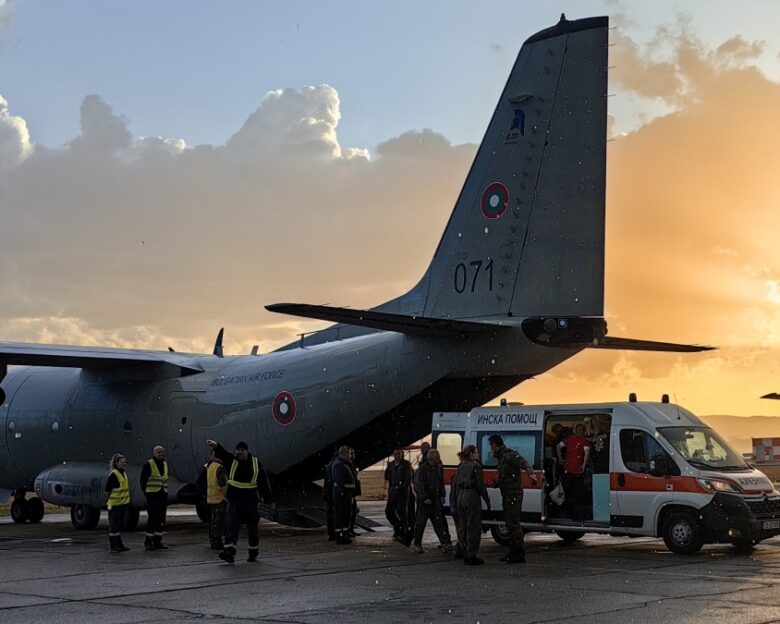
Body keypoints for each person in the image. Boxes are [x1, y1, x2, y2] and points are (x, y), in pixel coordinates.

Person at [207, 439, 273, 563]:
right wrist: (216, 446)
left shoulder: (256, 463)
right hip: (235, 501)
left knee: (252, 527)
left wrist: (267, 498)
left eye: (241, 451)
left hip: (250, 501)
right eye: (237, 451)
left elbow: (263, 481)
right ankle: (229, 552)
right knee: (233, 525)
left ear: (246, 451)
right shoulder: (232, 461)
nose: (238, 453)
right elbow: (223, 454)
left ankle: (253, 552)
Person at [489, 434, 536, 563]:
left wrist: (531, 474)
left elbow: (523, 462)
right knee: (510, 523)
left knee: (513, 524)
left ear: (495, 444)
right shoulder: (501, 458)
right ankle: (514, 551)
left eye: (491, 445)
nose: (491, 449)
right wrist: (496, 483)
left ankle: (518, 552)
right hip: (508, 494)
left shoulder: (509, 455)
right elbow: (506, 477)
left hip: (513, 494)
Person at [452, 445, 491, 566]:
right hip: (471, 495)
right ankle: (471, 554)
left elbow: (455, 484)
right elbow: (480, 486)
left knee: (462, 526)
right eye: (477, 452)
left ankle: (464, 551)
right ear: (471, 454)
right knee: (473, 526)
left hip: (461, 496)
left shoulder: (460, 467)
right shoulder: (475, 467)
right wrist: (487, 500)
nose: (478, 454)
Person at [412, 449, 453, 554]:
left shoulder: (437, 469)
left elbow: (440, 482)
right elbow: (418, 485)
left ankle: (445, 543)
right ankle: (417, 543)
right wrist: (424, 498)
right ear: (432, 458)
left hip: (435, 501)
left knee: (439, 523)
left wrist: (442, 495)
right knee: (420, 523)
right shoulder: (421, 470)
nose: (439, 460)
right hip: (424, 503)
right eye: (437, 458)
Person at [557, 424, 591, 520]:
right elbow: (587, 453)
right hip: (573, 472)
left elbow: (558, 446)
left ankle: (571, 514)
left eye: (581, 430)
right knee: (574, 494)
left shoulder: (579, 441)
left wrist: (561, 459)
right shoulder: (579, 441)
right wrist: (560, 459)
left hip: (573, 472)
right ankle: (574, 515)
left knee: (572, 494)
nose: (580, 431)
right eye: (579, 429)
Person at [197, 448, 227, 550]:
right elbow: (223, 484)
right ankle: (217, 543)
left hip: (210, 499)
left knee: (212, 522)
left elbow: (200, 483)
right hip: (219, 499)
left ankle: (213, 541)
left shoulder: (206, 467)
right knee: (218, 523)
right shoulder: (220, 467)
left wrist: (203, 496)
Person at [140, 445, 169, 551]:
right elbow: (143, 480)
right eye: (159, 452)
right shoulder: (148, 464)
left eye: (162, 452)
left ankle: (157, 541)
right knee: (152, 518)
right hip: (152, 495)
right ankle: (148, 541)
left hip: (162, 495)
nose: (161, 454)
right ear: (154, 453)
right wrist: (146, 492)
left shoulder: (165, 464)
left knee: (161, 519)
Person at [384, 449, 413, 545]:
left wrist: (402, 486)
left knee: (402, 512)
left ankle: (404, 531)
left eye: (399, 454)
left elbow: (408, 478)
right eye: (396, 454)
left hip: (402, 492)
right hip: (393, 492)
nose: (397, 456)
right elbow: (386, 475)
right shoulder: (391, 465)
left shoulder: (406, 465)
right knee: (389, 511)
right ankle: (397, 526)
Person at [105, 453, 131, 553]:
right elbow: (108, 489)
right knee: (114, 525)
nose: (124, 463)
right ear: (116, 463)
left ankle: (119, 544)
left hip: (122, 504)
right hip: (114, 504)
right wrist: (109, 501)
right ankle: (113, 546)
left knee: (119, 525)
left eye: (125, 462)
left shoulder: (123, 473)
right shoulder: (114, 474)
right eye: (122, 462)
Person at [331, 446, 356, 544]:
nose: (349, 455)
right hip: (342, 494)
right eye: (347, 453)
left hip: (346, 494)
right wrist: (342, 493)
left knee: (345, 514)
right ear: (344, 453)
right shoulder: (339, 464)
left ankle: (344, 533)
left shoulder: (344, 463)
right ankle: (340, 535)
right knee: (340, 514)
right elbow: (339, 481)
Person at [323, 451, 338, 541]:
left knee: (331, 514)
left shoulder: (330, 465)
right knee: (333, 515)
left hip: (329, 494)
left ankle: (332, 533)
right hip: (332, 494)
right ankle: (333, 533)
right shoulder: (334, 466)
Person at [347, 447, 361, 537]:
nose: (353, 455)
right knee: (349, 512)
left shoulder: (353, 464)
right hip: (349, 493)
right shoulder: (346, 465)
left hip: (353, 492)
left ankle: (351, 529)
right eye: (351, 453)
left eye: (353, 453)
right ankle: (348, 530)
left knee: (353, 512)